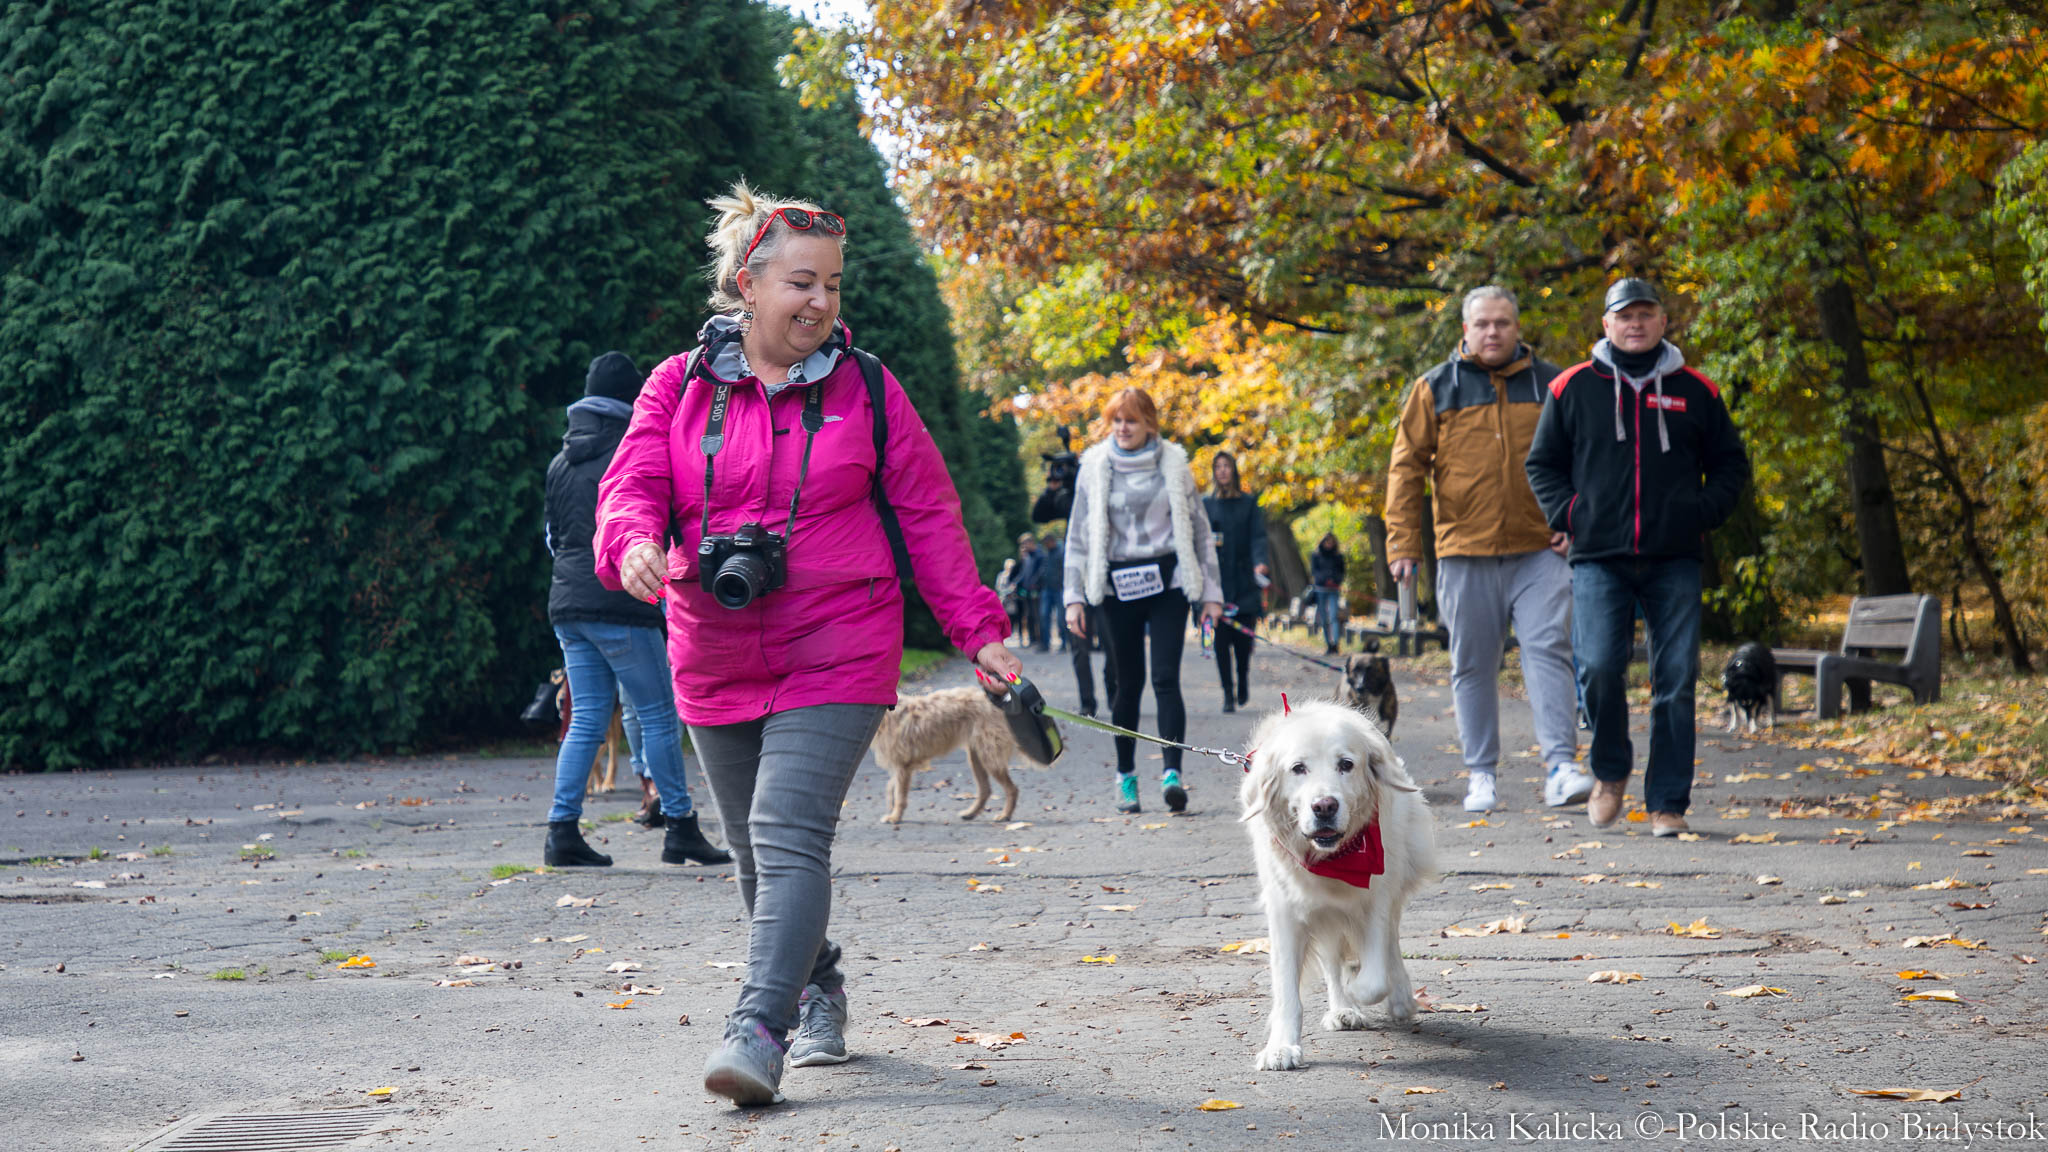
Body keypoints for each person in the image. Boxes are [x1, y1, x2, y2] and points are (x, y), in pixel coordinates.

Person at [594, 182, 1020, 1108]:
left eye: (832, 285)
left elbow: (929, 514)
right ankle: (817, 981)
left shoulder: (868, 387)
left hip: (839, 646)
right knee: (755, 855)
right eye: (801, 283)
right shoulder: (676, 385)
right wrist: (631, 543)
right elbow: (630, 484)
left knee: (787, 837)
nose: (822, 302)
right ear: (747, 285)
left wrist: (978, 631)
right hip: (712, 648)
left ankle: (758, 1028)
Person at [1525, 278, 1750, 837]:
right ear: (1606, 325)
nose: (1635, 324)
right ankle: (1609, 772)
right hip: (1598, 556)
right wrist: (1573, 516)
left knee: (1675, 680)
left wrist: (1699, 512)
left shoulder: (1696, 390)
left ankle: (1668, 803)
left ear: (1662, 321)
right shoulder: (1571, 388)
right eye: (1624, 315)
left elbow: (1730, 466)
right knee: (1599, 668)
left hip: (1674, 558)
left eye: (1645, 314)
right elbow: (1542, 466)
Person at [1386, 286, 1593, 814]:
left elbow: (1587, 456)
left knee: (1548, 648)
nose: (1493, 332)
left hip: (1540, 548)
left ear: (1517, 326)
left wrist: (1575, 518)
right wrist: (1404, 544)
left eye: (1502, 322)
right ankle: (1481, 774)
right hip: (1463, 549)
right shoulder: (1435, 388)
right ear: (1466, 329)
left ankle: (1561, 767)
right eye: (1483, 324)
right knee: (1472, 663)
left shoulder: (1554, 383)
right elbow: (1406, 467)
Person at [543, 351, 732, 869]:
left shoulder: (561, 461)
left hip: (568, 605)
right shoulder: (633, 449)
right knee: (657, 714)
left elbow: (554, 540)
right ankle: (681, 826)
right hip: (623, 603)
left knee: (585, 719)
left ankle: (561, 830)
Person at [1062, 388, 1224, 814]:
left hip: (1167, 581)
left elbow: (1201, 531)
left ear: (1150, 423)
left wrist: (1211, 595)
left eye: (1131, 420)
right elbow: (1077, 535)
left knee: (1166, 678)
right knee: (1126, 683)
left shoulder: (1174, 464)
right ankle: (1126, 777)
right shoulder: (1094, 466)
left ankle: (1172, 775)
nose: (1123, 428)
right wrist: (1073, 597)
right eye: (1116, 420)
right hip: (1116, 587)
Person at [1203, 451, 1270, 713]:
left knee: (1243, 642)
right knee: (1220, 643)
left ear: (1233, 470)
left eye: (1226, 466)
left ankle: (1242, 678)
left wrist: (1259, 561)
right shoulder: (1206, 505)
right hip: (1217, 584)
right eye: (1217, 466)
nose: (1222, 471)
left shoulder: (1249, 503)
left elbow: (1258, 537)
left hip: (1243, 581)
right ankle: (1227, 693)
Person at [1309, 534, 1347, 654]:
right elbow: (1314, 572)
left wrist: (1334, 580)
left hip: (1334, 590)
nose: (1329, 545)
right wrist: (1325, 580)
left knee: (1334, 616)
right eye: (1327, 542)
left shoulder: (1338, 556)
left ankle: (1335, 643)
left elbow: (1342, 572)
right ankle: (1328, 644)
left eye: (1331, 542)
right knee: (1324, 617)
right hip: (1320, 589)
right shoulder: (1316, 555)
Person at [1034, 532, 1066, 652]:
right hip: (1046, 588)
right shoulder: (1046, 554)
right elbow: (1043, 569)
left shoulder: (1061, 552)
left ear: (1051, 542)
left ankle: (1064, 643)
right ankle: (1045, 643)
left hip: (1059, 589)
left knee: (1061, 618)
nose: (1045, 546)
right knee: (1043, 616)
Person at [1013, 533, 1044, 649]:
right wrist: (1015, 583)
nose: (1023, 547)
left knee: (1038, 616)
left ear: (1031, 542)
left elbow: (1041, 572)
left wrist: (1034, 584)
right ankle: (1032, 639)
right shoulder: (1027, 557)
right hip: (1027, 591)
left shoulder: (1039, 555)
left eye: (1024, 544)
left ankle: (1041, 640)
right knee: (1030, 615)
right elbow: (1023, 574)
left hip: (1037, 590)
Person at [995, 556, 1025, 644]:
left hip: (1015, 600)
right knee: (1006, 618)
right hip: (1005, 600)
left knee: (1017, 618)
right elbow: (998, 587)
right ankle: (1006, 634)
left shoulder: (1017, 575)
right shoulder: (1002, 575)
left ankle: (1017, 635)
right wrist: (1007, 591)